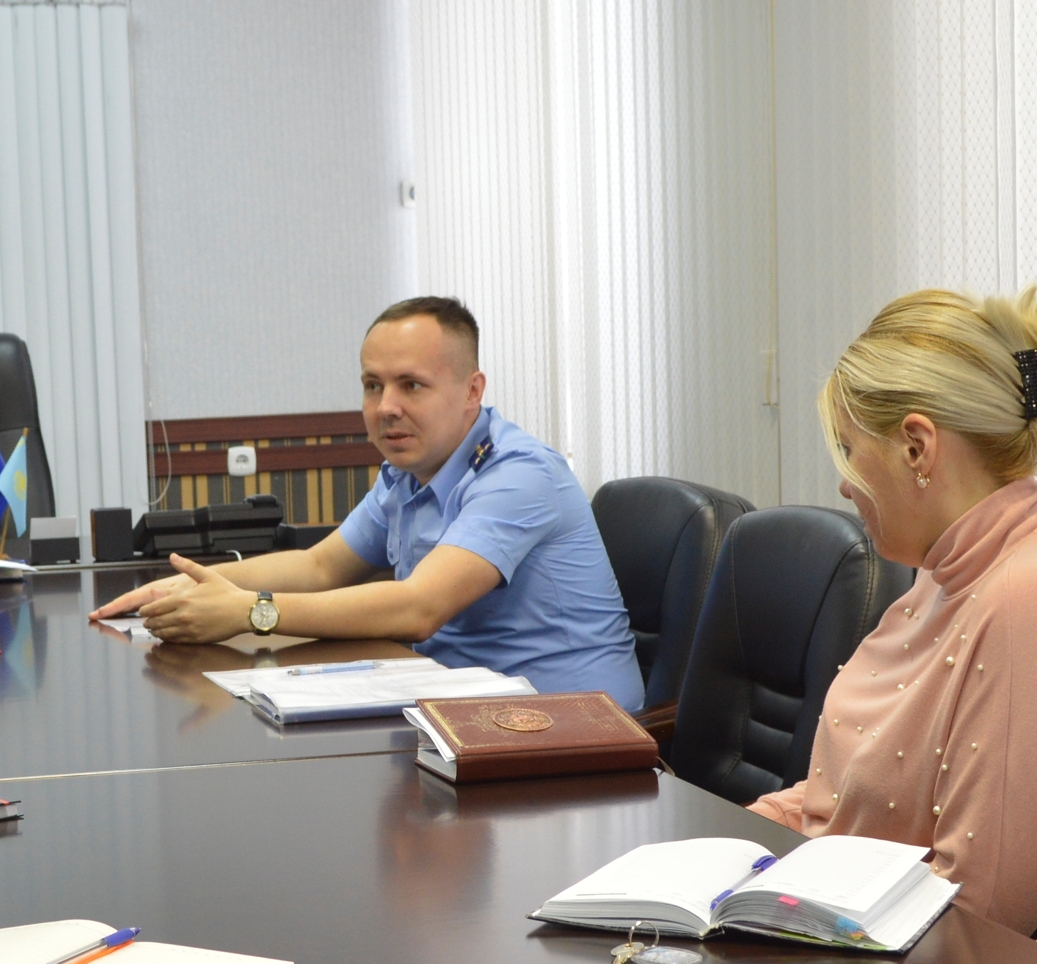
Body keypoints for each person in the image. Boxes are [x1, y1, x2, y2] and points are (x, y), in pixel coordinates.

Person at [745, 289, 1037, 935]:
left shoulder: (1033, 604)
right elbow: (851, 796)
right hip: (854, 932)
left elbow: (977, 919)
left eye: (850, 450)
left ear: (917, 446)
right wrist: (735, 844)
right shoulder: (951, 574)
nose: (845, 484)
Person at [90, 297, 643, 707]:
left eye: (411, 385)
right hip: (459, 701)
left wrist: (251, 612)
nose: (385, 407)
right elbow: (320, 565)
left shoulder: (519, 474)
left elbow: (418, 608)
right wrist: (193, 586)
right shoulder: (409, 472)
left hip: (564, 721)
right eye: (373, 385)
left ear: (472, 391)